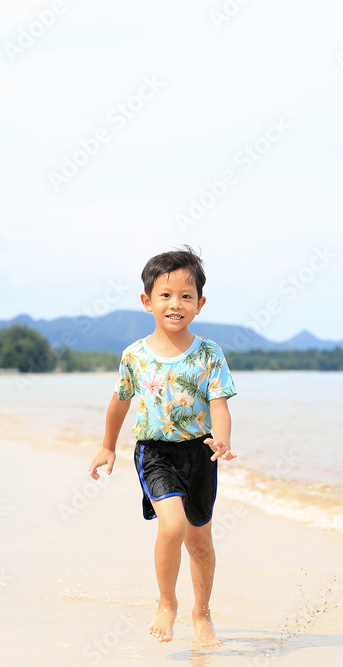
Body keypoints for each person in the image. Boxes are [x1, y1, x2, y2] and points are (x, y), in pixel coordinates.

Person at [88, 245, 237, 647]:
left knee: (201, 542)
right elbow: (120, 401)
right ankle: (167, 603)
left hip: (200, 454)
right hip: (154, 452)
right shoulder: (134, 355)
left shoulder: (209, 353)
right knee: (172, 525)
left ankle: (201, 614)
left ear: (200, 304)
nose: (176, 304)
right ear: (147, 301)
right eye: (166, 295)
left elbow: (219, 404)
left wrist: (221, 440)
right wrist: (107, 447)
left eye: (186, 296)